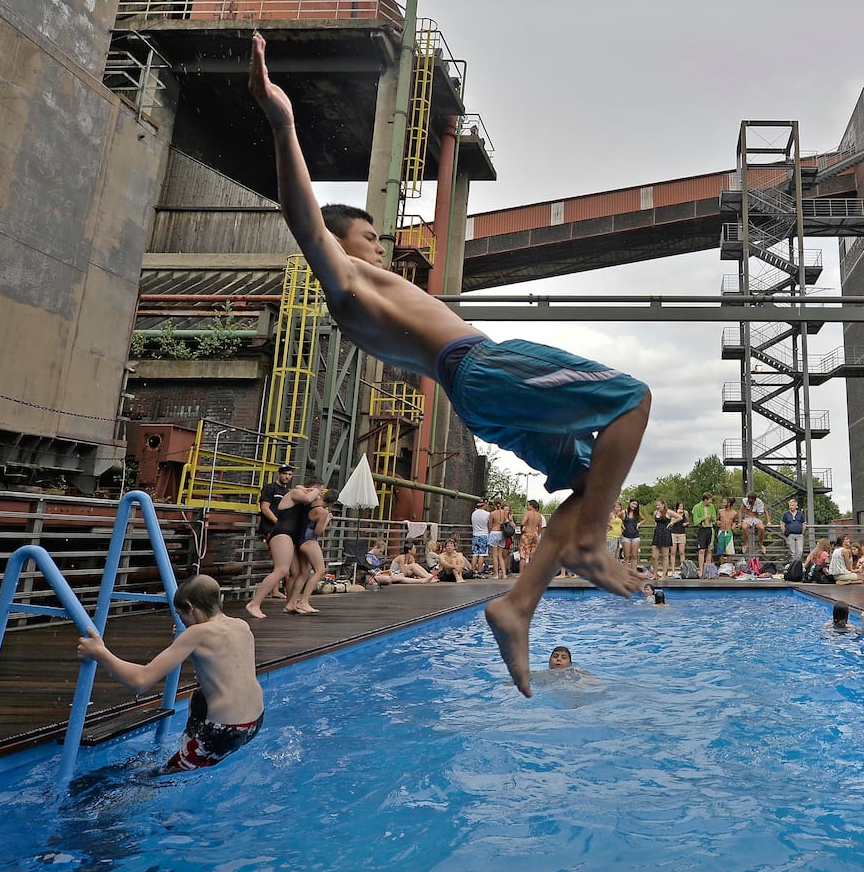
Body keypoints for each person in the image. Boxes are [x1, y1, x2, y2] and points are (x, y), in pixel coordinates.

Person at [251, 34, 650, 694]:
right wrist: (283, 122)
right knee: (631, 398)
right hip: (482, 367)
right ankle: (586, 549)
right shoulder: (346, 280)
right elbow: (306, 223)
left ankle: (518, 604)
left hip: (474, 392)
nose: (380, 246)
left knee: (587, 477)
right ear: (343, 242)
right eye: (370, 236)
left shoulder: (367, 297)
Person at [76, 574, 263, 773]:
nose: (181, 621)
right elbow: (220, 667)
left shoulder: (196, 634)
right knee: (197, 697)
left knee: (156, 776)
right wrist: (186, 640)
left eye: (181, 615)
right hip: (255, 721)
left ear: (190, 607)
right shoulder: (241, 626)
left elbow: (140, 681)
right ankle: (189, 744)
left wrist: (100, 653)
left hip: (225, 731)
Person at [245, 478, 327, 619]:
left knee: (297, 572)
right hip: (282, 532)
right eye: (319, 489)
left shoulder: (303, 495)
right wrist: (314, 490)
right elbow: (308, 497)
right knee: (281, 569)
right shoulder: (295, 493)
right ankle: (254, 603)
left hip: (292, 536)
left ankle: (290, 604)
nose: (319, 494)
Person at [257, 464, 294, 599]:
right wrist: (277, 522)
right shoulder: (270, 488)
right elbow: (265, 508)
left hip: (282, 530)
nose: (287, 477)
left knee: (281, 560)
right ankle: (274, 591)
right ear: (279, 474)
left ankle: (279, 590)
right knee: (278, 560)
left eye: (290, 474)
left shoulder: (288, 492)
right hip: (270, 529)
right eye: (285, 474)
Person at [487, 498, 510, 579]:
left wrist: (490, 532)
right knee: (500, 555)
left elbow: (490, 525)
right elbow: (506, 522)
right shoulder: (504, 513)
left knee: (494, 555)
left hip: (494, 532)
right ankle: (504, 574)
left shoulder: (492, 513)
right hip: (502, 533)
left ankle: (496, 574)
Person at [740, 492, 768, 557]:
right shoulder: (745, 501)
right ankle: (746, 544)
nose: (750, 500)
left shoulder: (759, 502)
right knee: (744, 527)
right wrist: (739, 522)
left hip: (756, 518)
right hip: (748, 518)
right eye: (749, 499)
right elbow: (740, 511)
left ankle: (761, 544)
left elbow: (765, 511)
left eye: (751, 499)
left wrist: (768, 522)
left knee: (762, 528)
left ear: (754, 499)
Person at [692, 492, 717, 563]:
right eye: (710, 500)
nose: (711, 501)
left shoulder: (711, 506)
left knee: (709, 550)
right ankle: (701, 570)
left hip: (710, 528)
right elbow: (696, 520)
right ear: (705, 500)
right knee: (701, 550)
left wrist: (712, 518)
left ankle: (708, 569)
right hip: (702, 529)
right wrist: (704, 518)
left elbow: (714, 517)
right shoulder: (697, 507)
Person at [780, 498, 807, 564]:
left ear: (796, 506)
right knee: (793, 552)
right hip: (790, 535)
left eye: (792, 505)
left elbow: (804, 523)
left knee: (799, 551)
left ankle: (797, 564)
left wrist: (802, 532)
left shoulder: (800, 514)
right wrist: (784, 532)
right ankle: (794, 566)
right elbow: (782, 523)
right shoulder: (786, 514)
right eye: (790, 505)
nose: (791, 507)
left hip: (799, 535)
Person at [650, 499, 673, 576]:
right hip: (657, 533)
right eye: (657, 505)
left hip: (665, 534)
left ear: (663, 505)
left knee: (665, 556)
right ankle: (655, 575)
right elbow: (654, 520)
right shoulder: (655, 512)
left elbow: (679, 517)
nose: (657, 506)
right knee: (654, 556)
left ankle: (664, 575)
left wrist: (672, 522)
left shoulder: (668, 512)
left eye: (659, 505)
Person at [620, 498, 643, 566]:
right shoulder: (624, 512)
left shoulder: (637, 513)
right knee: (626, 556)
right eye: (633, 503)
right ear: (629, 503)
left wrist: (639, 524)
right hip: (625, 537)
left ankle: (633, 573)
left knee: (634, 556)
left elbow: (643, 519)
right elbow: (616, 517)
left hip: (635, 536)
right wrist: (621, 525)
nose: (634, 505)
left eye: (636, 504)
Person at [471, 498, 492, 572]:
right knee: (482, 554)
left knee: (475, 554)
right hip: (484, 535)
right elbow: (489, 526)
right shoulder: (487, 514)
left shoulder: (474, 513)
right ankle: (480, 571)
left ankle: (473, 570)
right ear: (485, 504)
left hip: (475, 534)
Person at [669, 501, 688, 571]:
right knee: (673, 552)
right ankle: (673, 569)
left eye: (681, 506)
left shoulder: (685, 513)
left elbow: (688, 521)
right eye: (679, 506)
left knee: (682, 552)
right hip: (673, 533)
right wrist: (677, 514)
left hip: (682, 533)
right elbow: (671, 522)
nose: (680, 508)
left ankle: (683, 569)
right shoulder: (674, 513)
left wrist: (686, 523)